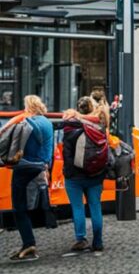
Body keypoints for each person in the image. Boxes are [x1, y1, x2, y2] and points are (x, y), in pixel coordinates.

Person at [61, 96, 110, 253]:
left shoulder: (69, 127)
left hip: (74, 176)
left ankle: (81, 239)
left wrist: (68, 173)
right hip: (96, 174)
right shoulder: (100, 125)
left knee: (77, 207)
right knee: (95, 206)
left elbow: (66, 153)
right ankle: (98, 241)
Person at [8, 95, 53, 261]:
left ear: (29, 107)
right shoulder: (47, 123)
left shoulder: (28, 123)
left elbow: (14, 141)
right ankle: (28, 242)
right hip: (40, 166)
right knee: (28, 203)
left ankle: (28, 243)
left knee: (18, 207)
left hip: (24, 166)